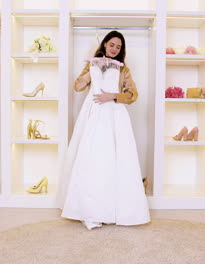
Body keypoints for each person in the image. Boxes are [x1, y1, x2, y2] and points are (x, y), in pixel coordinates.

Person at [58, 31, 150, 230]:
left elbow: (133, 94)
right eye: (112, 44)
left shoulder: (124, 69)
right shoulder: (92, 62)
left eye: (119, 47)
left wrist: (113, 96)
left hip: (114, 116)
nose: (114, 49)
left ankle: (112, 208)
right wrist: (90, 70)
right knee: (90, 159)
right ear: (105, 44)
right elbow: (77, 86)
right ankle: (88, 207)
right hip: (92, 114)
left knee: (112, 159)